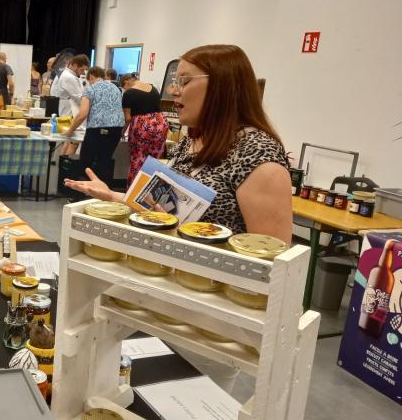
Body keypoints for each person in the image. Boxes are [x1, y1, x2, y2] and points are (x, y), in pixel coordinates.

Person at [64, 45, 292, 392]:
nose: (173, 90)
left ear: (222, 86)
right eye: (175, 80)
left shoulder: (258, 155)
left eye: (184, 81)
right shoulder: (194, 141)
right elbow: (171, 213)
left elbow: (272, 260)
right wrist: (117, 198)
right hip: (166, 296)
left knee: (186, 396)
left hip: (213, 321)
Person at [64, 66, 124, 186]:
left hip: (97, 130)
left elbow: (82, 114)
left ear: (91, 76)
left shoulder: (90, 89)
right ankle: (102, 195)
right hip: (116, 130)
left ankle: (80, 195)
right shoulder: (116, 88)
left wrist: (71, 130)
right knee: (104, 161)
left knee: (86, 163)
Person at [122, 78, 170, 186]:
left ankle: (134, 191)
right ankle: (154, 190)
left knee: (138, 158)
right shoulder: (153, 88)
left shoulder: (128, 93)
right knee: (156, 159)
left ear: (126, 83)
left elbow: (128, 118)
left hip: (142, 125)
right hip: (160, 122)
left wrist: (122, 131)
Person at [51, 54, 89, 155]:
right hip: (70, 108)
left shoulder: (69, 75)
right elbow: (78, 97)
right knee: (72, 140)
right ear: (75, 65)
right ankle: (65, 161)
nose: (82, 73)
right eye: (82, 70)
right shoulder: (69, 77)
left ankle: (62, 161)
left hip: (69, 107)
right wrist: (88, 104)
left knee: (69, 140)